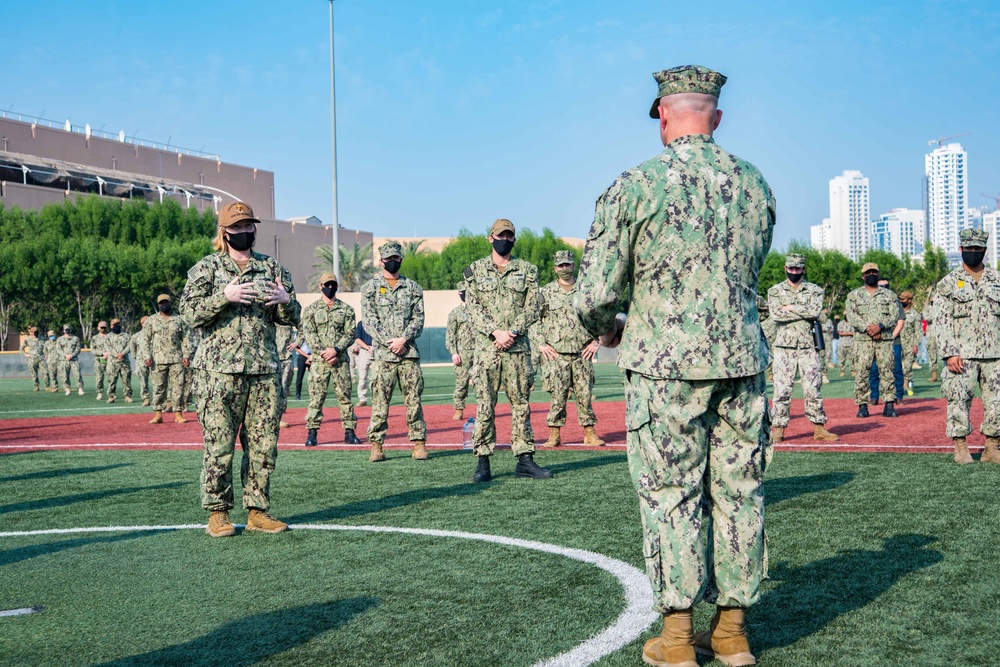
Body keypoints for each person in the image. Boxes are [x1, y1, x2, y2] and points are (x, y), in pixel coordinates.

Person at [575, 65, 773, 667]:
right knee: (740, 491)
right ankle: (733, 634)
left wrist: (609, 326)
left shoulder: (635, 185)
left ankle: (679, 639)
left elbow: (593, 296)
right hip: (741, 361)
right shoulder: (753, 184)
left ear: (663, 114)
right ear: (715, 116)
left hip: (665, 367)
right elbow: (751, 267)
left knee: (671, 495)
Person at [180, 200, 301, 538]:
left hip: (263, 370)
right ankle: (217, 513)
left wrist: (285, 302)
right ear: (224, 232)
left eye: (248, 226)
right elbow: (189, 314)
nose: (244, 232)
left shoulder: (272, 267)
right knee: (219, 445)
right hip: (218, 374)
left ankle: (257, 511)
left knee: (262, 445)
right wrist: (225, 296)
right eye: (236, 228)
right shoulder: (206, 269)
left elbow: (292, 318)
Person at [463, 219, 553, 483]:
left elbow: (533, 306)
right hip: (487, 350)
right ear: (490, 238)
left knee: (521, 404)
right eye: (500, 236)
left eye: (509, 236)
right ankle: (483, 461)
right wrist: (495, 332)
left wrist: (512, 332)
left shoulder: (528, 270)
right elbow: (473, 308)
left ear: (514, 240)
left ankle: (524, 458)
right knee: (485, 405)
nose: (505, 240)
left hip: (517, 348)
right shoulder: (475, 271)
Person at [934, 228, 1000, 465]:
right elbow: (941, 321)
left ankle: (992, 447)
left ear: (984, 250)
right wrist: (949, 352)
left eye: (978, 249)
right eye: (969, 249)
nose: (974, 253)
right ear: (961, 250)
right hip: (962, 356)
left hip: (995, 355)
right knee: (958, 400)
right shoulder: (948, 284)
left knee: (997, 402)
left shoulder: (997, 280)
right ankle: (961, 447)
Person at [361, 241, 428, 462]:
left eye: (395, 258)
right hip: (383, 356)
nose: (392, 262)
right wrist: (390, 342)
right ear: (381, 261)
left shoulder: (413, 288)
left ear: (400, 259)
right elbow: (369, 321)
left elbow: (419, 318)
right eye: (388, 259)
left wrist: (403, 339)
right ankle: (376, 446)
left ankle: (418, 443)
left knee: (413, 401)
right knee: (380, 402)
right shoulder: (370, 288)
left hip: (408, 354)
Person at [537, 250, 605, 447]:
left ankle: (590, 433)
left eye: (567, 265)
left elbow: (599, 316)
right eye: (560, 266)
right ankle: (554, 434)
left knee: (584, 396)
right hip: (556, 354)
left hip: (582, 353)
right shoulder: (546, 292)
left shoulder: (586, 290)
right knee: (558, 397)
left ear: (574, 266)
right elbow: (534, 319)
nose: (564, 268)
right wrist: (542, 343)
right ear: (555, 268)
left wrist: (597, 341)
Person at [767, 254, 838, 442]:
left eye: (797, 268)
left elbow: (815, 312)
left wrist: (790, 307)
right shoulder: (774, 291)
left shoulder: (814, 290)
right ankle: (779, 430)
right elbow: (776, 315)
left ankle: (819, 429)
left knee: (813, 388)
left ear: (803, 269)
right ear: (785, 268)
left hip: (807, 346)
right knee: (781, 390)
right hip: (784, 347)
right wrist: (801, 310)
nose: (794, 272)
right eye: (791, 268)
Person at [302, 273, 362, 446]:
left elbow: (350, 333)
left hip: (340, 361)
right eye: (326, 285)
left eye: (332, 285)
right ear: (320, 286)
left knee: (345, 397)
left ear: (336, 286)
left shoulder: (347, 310)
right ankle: (312, 434)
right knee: (316, 398)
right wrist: (325, 353)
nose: (330, 288)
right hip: (320, 363)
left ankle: (349, 432)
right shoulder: (311, 310)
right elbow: (309, 334)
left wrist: (335, 350)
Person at [846, 263, 899, 418]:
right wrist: (868, 329)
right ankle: (862, 406)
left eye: (874, 272)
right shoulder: (853, 296)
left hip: (884, 340)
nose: (871, 275)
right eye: (868, 273)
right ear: (863, 276)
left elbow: (894, 314)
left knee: (887, 371)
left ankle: (889, 405)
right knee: (861, 373)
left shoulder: (890, 295)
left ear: (878, 274)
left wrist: (880, 327)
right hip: (863, 341)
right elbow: (852, 316)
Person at [141, 294, 192, 424]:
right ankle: (158, 414)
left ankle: (178, 414)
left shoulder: (179, 320)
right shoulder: (152, 320)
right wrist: (147, 356)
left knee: (177, 388)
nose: (163, 304)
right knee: (158, 388)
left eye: (166, 302)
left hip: (176, 359)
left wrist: (187, 355)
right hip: (158, 360)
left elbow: (186, 338)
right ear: (158, 305)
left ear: (170, 303)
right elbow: (145, 339)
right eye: (161, 303)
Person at [868, 278, 905, 405]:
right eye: (880, 286)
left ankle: (898, 396)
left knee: (896, 369)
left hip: (893, 341)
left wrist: (890, 338)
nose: (883, 288)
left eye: (885, 285)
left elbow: (900, 322)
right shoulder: (871, 302)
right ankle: (874, 396)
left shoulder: (895, 302)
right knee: (874, 370)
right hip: (876, 341)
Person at [445, 280, 477, 420]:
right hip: (462, 354)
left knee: (481, 383)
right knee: (461, 383)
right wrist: (454, 352)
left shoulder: (478, 311)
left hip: (478, 353)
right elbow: (450, 335)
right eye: (464, 293)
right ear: (459, 294)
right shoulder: (455, 313)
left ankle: (483, 409)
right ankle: (459, 409)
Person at [899, 291, 922, 397]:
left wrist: (916, 344)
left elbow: (918, 331)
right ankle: (898, 386)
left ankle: (907, 386)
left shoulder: (915, 314)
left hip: (909, 344)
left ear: (909, 300)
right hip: (897, 343)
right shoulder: (897, 312)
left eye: (903, 299)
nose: (901, 301)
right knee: (896, 367)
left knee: (907, 367)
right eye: (900, 299)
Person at [104, 318, 133, 403]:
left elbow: (129, 346)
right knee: (111, 380)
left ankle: (127, 396)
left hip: (124, 362)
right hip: (112, 362)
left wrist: (122, 354)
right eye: (114, 325)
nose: (116, 326)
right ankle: (111, 396)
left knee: (126, 380)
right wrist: (117, 355)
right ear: (111, 326)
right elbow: (108, 348)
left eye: (118, 324)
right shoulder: (108, 337)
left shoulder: (126, 336)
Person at [275, 324, 296, 428]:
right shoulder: (269, 319)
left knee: (284, 387)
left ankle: (280, 415)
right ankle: (277, 418)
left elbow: (303, 329)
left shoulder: (289, 323)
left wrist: (296, 343)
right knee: (276, 388)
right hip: (273, 358)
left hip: (286, 358)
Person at [129, 316, 152, 406]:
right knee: (143, 381)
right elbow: (132, 348)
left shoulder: (156, 334)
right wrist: (137, 357)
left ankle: (160, 399)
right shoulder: (136, 336)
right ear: (142, 324)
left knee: (158, 381)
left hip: (155, 360)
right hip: (141, 362)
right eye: (145, 322)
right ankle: (146, 398)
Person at [57, 324, 84, 395]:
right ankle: (67, 389)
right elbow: (58, 349)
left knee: (77, 374)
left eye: (68, 329)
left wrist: (72, 355)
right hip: (64, 360)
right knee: (64, 375)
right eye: (66, 329)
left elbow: (78, 349)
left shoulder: (76, 338)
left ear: (71, 330)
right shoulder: (60, 339)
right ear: (63, 331)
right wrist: (65, 355)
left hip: (74, 359)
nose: (67, 331)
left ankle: (80, 388)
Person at [20, 326, 49, 391]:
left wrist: (46, 355)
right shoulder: (28, 340)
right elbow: (21, 348)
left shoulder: (42, 339)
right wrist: (25, 354)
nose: (35, 333)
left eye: (36, 332)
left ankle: (47, 386)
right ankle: (36, 386)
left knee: (46, 372)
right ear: (31, 333)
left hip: (41, 359)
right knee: (34, 374)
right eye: (33, 332)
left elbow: (47, 348)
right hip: (32, 359)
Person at [352, 320, 373, 406]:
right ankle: (362, 398)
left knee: (378, 377)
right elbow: (357, 339)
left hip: (378, 350)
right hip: (365, 351)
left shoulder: (380, 321)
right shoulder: (361, 323)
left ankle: (378, 398)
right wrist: (367, 348)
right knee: (362, 376)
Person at [91, 321, 109, 401]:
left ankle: (111, 393)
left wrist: (108, 354)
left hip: (109, 360)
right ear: (98, 328)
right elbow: (93, 350)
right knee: (99, 378)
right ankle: (100, 392)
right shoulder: (94, 338)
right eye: (101, 327)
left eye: (104, 327)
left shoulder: (110, 336)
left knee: (111, 378)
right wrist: (102, 353)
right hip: (99, 360)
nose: (103, 329)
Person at [925, 291, 940, 382]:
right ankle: (934, 375)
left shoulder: (942, 307)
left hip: (941, 333)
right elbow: (927, 318)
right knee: (932, 355)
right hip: (931, 334)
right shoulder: (928, 308)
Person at [837, 312, 854, 377]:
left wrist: (845, 333)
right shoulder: (840, 323)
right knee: (841, 359)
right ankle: (842, 371)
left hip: (851, 343)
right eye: (845, 315)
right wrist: (849, 333)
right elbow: (840, 333)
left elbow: (854, 333)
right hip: (842, 344)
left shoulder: (852, 323)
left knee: (852, 358)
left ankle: (853, 371)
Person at [820, 309, 833, 383]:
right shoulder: (817, 319)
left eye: (826, 314)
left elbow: (830, 329)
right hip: (818, 340)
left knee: (825, 357)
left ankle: (824, 375)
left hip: (827, 340)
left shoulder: (829, 321)